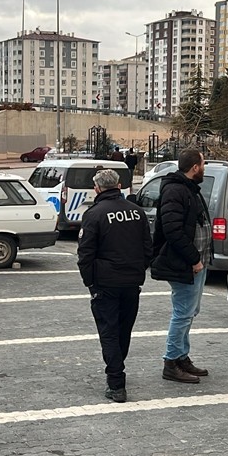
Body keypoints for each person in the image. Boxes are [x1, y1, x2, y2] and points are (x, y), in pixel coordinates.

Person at [78, 169, 153, 403]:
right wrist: (139, 270)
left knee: (109, 331)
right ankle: (118, 367)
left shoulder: (94, 214)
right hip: (131, 281)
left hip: (106, 283)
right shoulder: (137, 212)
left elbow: (85, 253)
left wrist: (90, 281)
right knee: (123, 328)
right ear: (119, 186)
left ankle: (116, 382)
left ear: (97, 189)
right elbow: (148, 247)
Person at [150, 148, 212, 383]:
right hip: (185, 263)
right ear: (195, 167)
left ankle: (182, 357)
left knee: (189, 312)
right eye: (203, 164)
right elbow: (173, 231)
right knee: (183, 313)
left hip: (198, 262)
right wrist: (193, 259)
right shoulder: (176, 190)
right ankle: (171, 361)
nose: (204, 168)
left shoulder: (189, 189)